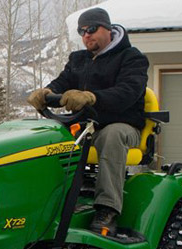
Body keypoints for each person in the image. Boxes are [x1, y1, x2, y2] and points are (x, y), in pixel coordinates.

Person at [27, 7, 149, 237]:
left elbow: (127, 92)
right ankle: (50, 200)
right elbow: (62, 82)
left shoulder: (132, 58)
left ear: (108, 29)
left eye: (92, 29)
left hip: (122, 125)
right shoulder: (78, 59)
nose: (86, 35)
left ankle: (107, 209)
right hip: (84, 126)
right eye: (82, 31)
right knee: (47, 137)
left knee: (111, 136)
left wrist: (93, 97)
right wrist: (47, 92)